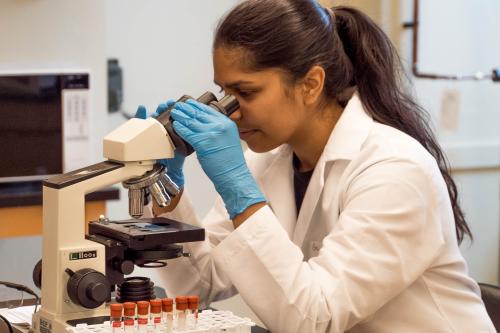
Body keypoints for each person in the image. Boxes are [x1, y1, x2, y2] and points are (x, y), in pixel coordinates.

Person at [137, 1, 495, 332]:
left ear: (311, 84)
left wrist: (239, 193)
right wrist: (165, 189)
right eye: (224, 93)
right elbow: (200, 284)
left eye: (246, 93)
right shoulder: (266, 162)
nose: (231, 111)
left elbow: (314, 319)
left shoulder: (395, 169)